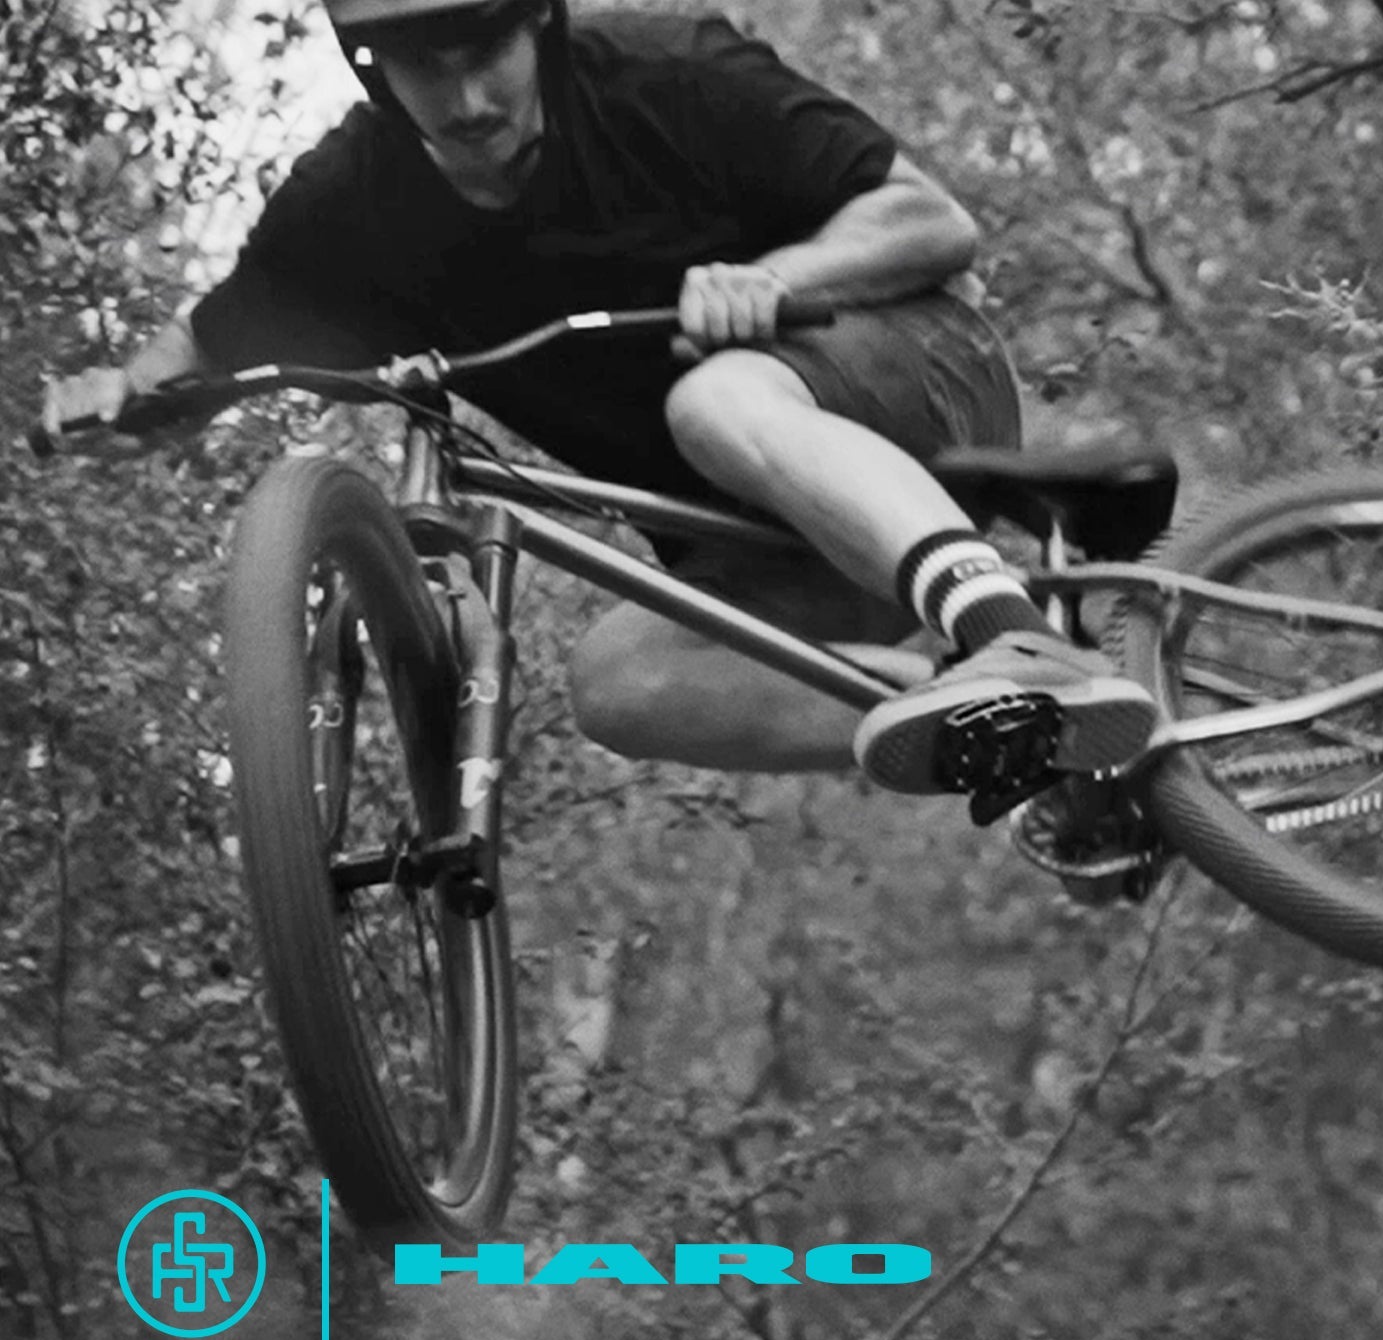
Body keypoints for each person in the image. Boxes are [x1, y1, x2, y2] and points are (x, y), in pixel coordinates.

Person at [37, 0, 1160, 802]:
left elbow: (931, 222)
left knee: (712, 402)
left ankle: (1007, 634)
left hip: (916, 394)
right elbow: (215, 343)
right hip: (769, 545)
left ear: (541, 27)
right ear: (373, 66)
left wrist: (779, 281)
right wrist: (119, 395)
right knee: (617, 684)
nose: (469, 98)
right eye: (429, 67)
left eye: (487, 49)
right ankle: (1007, 727)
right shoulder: (352, 209)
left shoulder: (669, 76)